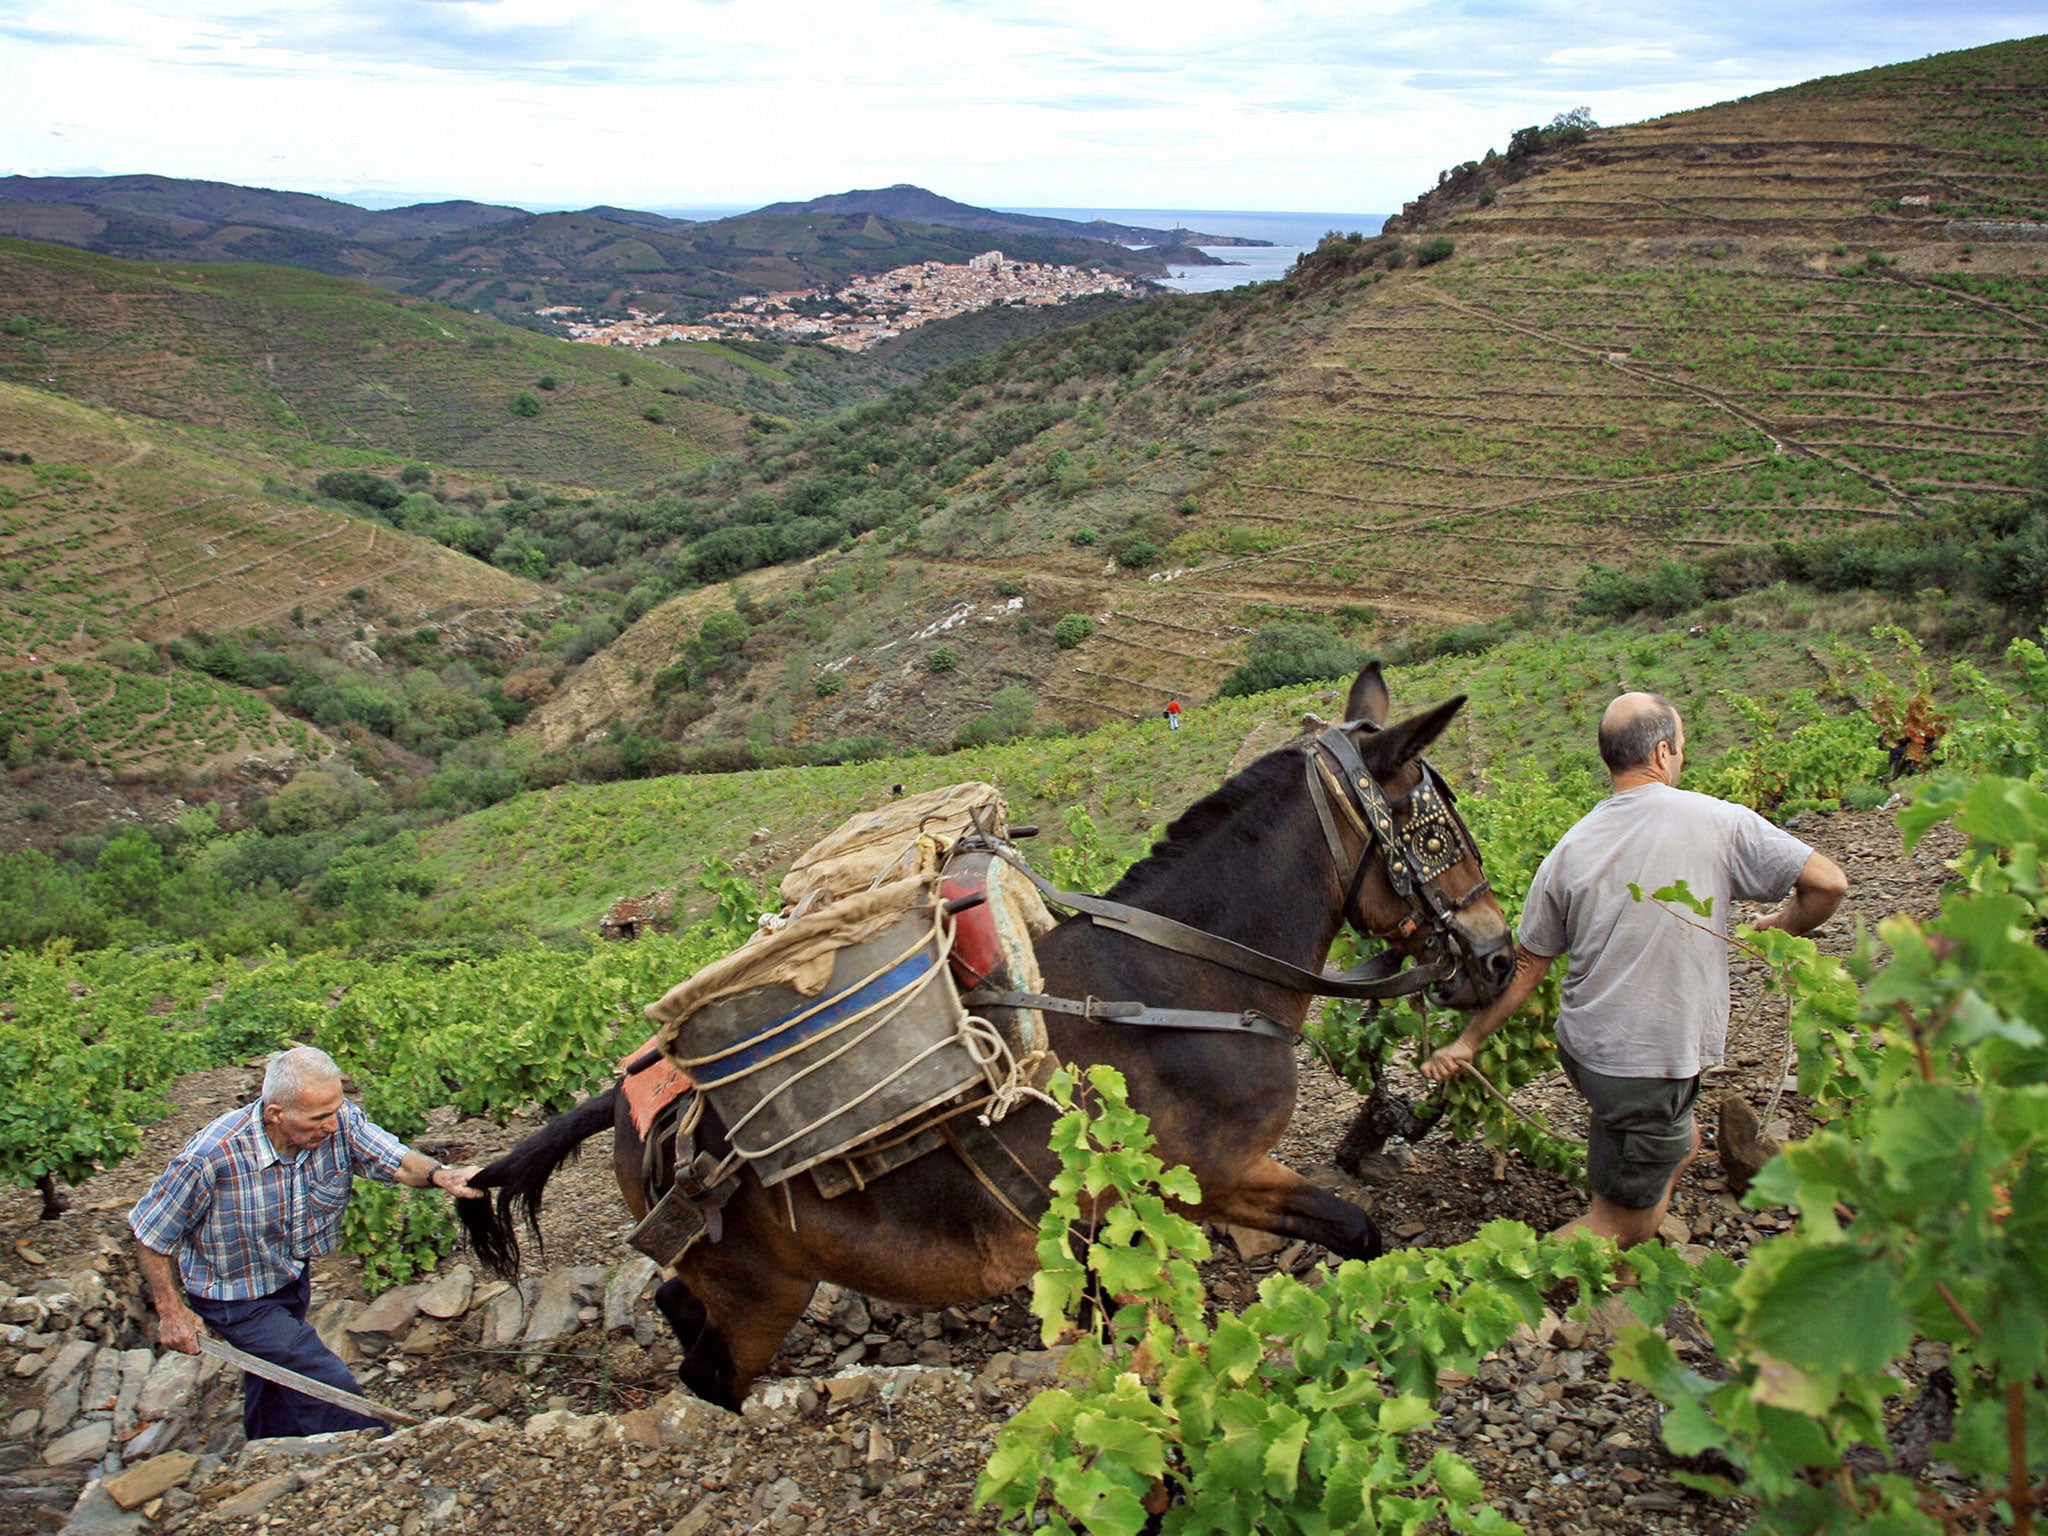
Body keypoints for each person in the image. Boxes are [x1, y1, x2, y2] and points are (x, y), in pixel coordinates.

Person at [1422, 693, 1847, 1247]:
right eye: (1682, 748)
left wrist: (1468, 1041)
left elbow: (1528, 965)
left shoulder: (1569, 848)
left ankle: (1618, 1231)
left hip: (1588, 1054)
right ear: (1664, 751)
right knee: (1623, 1221)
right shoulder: (1717, 821)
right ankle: (1492, 1280)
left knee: (1680, 1140)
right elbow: (1829, 884)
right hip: (1650, 1064)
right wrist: (1780, 927)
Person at [129, 1046, 484, 1440]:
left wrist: (441, 1176)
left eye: (336, 1110)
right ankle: (370, 1450)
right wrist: (171, 1310)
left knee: (275, 1375)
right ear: (275, 1115)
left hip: (289, 1276)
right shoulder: (212, 1156)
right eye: (319, 1117)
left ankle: (267, 1449)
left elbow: (398, 1161)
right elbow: (150, 1233)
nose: (332, 1125)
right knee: (316, 1371)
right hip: (231, 1295)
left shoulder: (337, 1122)